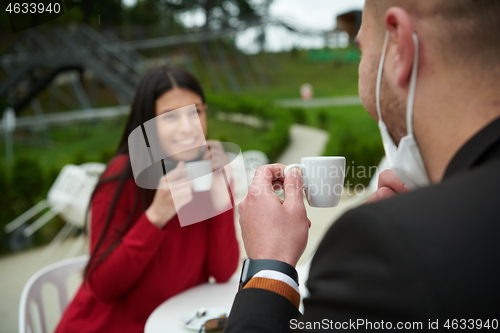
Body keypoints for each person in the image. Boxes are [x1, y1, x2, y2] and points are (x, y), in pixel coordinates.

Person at [224, 0, 500, 331]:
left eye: (362, 50)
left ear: (399, 44)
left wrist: (269, 264)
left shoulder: (385, 242)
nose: (360, 65)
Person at [55, 66, 240, 333]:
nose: (188, 127)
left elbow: (222, 271)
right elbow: (102, 286)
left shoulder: (203, 171)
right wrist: (155, 216)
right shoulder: (123, 176)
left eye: (196, 111)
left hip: (177, 324)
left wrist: (222, 200)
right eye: (169, 117)